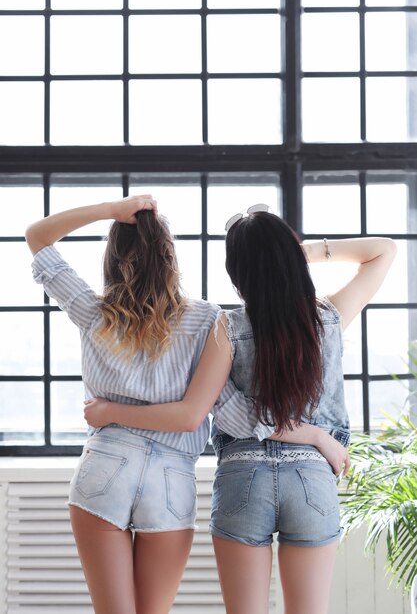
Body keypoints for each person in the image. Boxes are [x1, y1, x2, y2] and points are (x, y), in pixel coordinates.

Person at [25, 197, 346, 614]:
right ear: (170, 257)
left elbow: (36, 237)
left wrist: (111, 210)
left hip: (104, 465)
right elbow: (241, 416)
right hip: (170, 479)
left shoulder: (93, 312)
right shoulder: (208, 321)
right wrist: (317, 435)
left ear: (113, 258)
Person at [82, 205, 396, 614]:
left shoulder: (226, 328)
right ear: (291, 255)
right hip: (313, 477)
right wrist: (306, 251)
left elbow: (192, 411)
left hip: (243, 478)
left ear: (236, 276)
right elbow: (384, 250)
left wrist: (108, 411)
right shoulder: (328, 319)